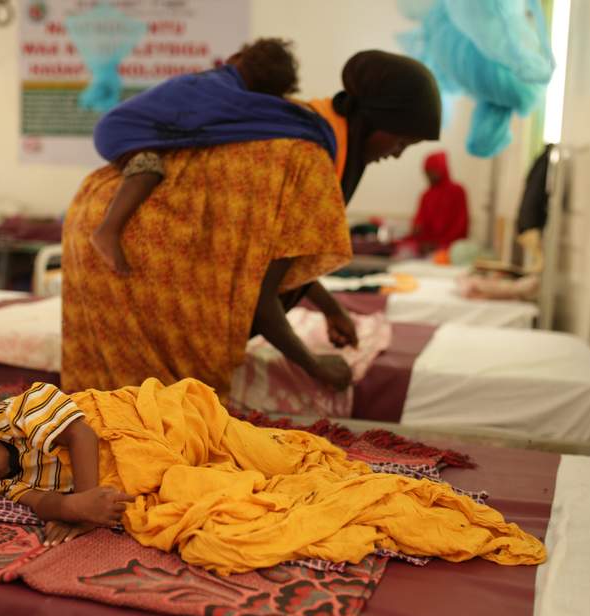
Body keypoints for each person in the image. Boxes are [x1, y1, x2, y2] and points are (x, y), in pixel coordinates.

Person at [62, 49, 441, 398]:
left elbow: (275, 252)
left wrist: (330, 307)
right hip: (136, 245)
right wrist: (315, 366)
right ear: (372, 121)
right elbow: (259, 296)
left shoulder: (303, 128)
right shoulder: (310, 157)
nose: (396, 154)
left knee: (127, 402)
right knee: (166, 406)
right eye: (400, 142)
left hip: (110, 220)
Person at [0, 379, 546, 574]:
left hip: (150, 422)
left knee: (267, 454)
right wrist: (68, 510)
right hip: (121, 475)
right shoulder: (2, 489)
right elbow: (40, 499)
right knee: (213, 522)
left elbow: (82, 429)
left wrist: (82, 496)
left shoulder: (11, 411)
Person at [91, 38, 308, 275]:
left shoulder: (226, 88)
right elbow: (250, 112)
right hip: (123, 130)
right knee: (148, 169)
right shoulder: (213, 87)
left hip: (149, 131)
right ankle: (108, 231)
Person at [399, 151, 469, 256]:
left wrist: (439, 244)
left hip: (449, 245)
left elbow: (461, 223)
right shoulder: (426, 195)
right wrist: (417, 229)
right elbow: (419, 219)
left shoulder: (457, 191)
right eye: (426, 172)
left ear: (441, 168)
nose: (428, 176)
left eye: (431, 171)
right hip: (426, 245)